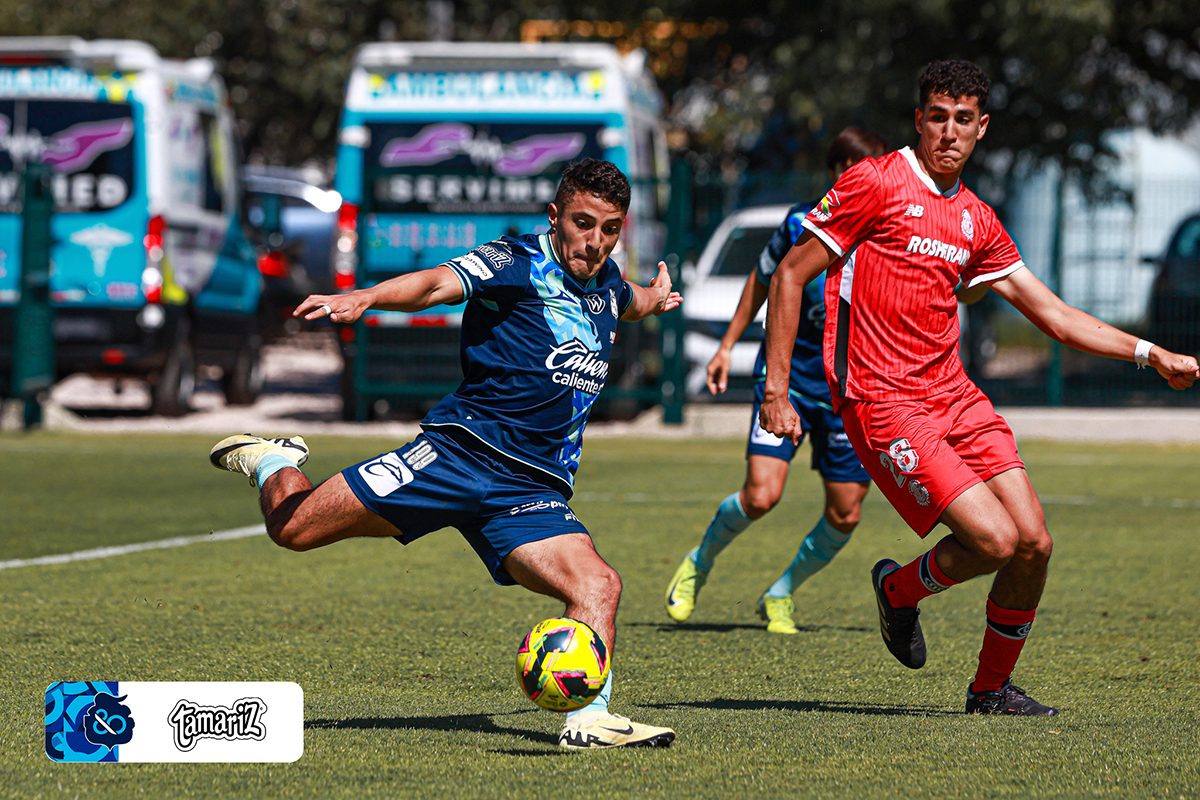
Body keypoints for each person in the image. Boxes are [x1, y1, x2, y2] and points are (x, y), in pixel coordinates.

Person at [759, 61, 1199, 715]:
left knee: (1034, 544)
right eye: (937, 116)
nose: (948, 131)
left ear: (981, 127)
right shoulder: (875, 182)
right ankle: (902, 591)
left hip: (955, 396)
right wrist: (775, 392)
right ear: (919, 120)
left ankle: (989, 689)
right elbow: (790, 276)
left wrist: (1149, 351)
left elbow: (1053, 316)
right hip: (883, 399)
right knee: (992, 540)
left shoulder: (976, 219)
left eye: (963, 119)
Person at [209, 159, 681, 749]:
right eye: (583, 224)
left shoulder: (607, 283)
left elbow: (627, 300)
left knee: (599, 585)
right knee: (294, 529)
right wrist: (366, 297)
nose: (594, 241)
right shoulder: (516, 262)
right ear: (555, 216)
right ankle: (274, 461)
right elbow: (434, 284)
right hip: (457, 456)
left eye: (610, 229)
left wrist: (654, 297)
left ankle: (588, 721)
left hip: (529, 492)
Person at [664, 127, 887, 634]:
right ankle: (699, 561)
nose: (866, 179)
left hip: (850, 391)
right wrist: (725, 347)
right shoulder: (800, 223)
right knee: (762, 494)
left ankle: (780, 592)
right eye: (855, 169)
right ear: (835, 173)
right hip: (787, 378)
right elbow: (763, 283)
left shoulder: (886, 233)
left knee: (847, 513)